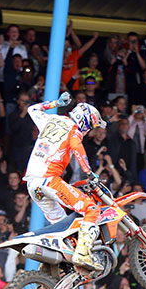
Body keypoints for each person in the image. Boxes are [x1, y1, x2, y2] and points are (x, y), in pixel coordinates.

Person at [22, 92, 106, 270]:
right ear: (85, 121)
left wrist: (56, 102)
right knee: (91, 209)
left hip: (32, 185)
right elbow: (77, 147)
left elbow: (32, 109)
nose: (89, 130)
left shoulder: (51, 120)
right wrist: (89, 172)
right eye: (90, 126)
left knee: (62, 226)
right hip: (49, 180)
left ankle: (50, 264)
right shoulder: (73, 130)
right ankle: (83, 253)